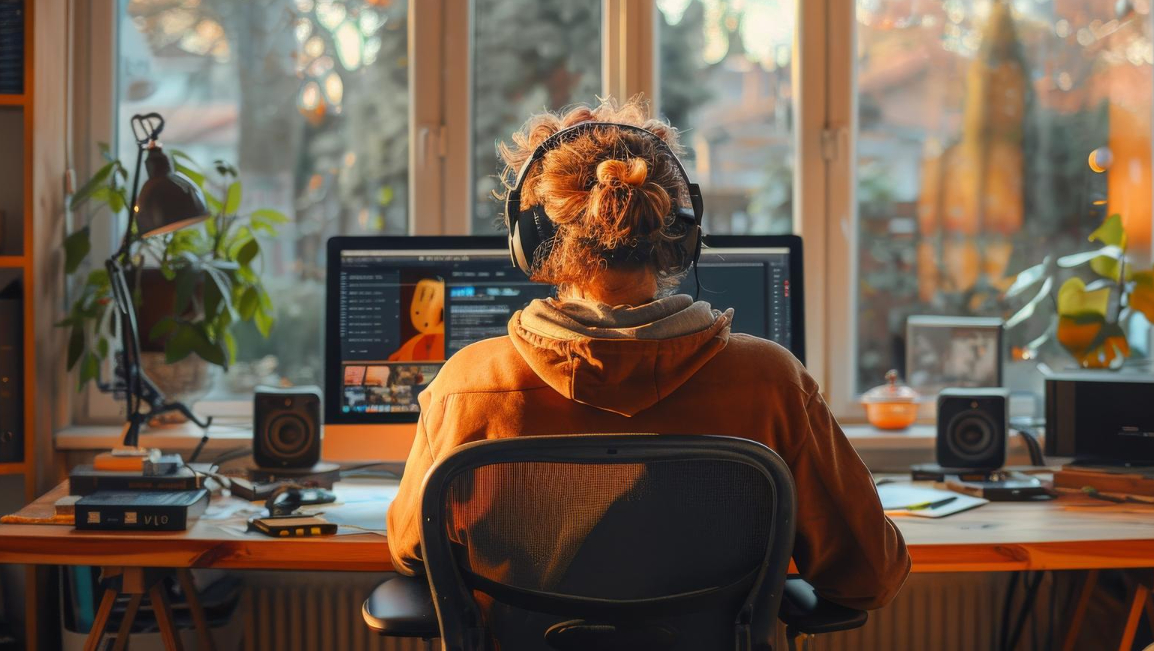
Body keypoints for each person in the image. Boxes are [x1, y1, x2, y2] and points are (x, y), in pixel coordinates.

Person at [386, 97, 910, 612]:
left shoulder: (468, 387)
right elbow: (870, 576)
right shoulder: (773, 382)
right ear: (682, 233)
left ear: (531, 237)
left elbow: (411, 548)